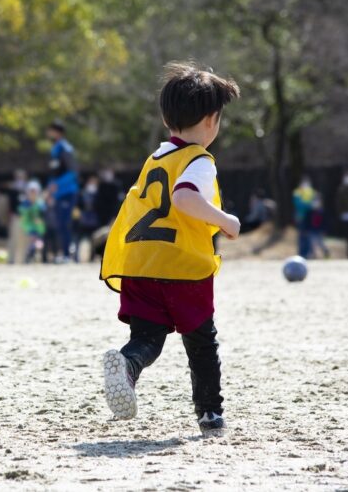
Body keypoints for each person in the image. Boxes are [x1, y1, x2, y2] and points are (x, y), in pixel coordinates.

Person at [99, 62, 241, 435]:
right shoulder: (198, 160)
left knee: (147, 337)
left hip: (141, 262)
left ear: (167, 120)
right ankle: (210, 414)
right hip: (182, 265)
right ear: (211, 120)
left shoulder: (156, 158)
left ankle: (128, 366)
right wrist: (224, 220)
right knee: (201, 341)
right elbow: (184, 198)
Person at [46, 121, 79, 262]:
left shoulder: (66, 149)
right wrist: (49, 190)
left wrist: (56, 185)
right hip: (58, 193)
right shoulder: (55, 149)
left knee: (65, 223)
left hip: (67, 192)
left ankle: (67, 255)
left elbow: (73, 172)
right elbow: (54, 173)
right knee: (59, 224)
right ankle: (62, 253)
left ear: (57, 132)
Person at [19, 181, 46, 263]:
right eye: (31, 191)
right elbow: (23, 217)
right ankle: (28, 257)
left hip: (40, 228)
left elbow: (44, 215)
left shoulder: (40, 203)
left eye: (34, 191)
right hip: (28, 228)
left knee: (39, 243)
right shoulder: (25, 204)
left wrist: (40, 221)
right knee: (33, 242)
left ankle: (33, 256)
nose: (33, 193)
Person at [75, 176, 100, 262]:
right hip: (83, 220)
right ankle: (76, 258)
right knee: (78, 239)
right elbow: (77, 206)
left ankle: (92, 257)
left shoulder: (98, 194)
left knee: (93, 240)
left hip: (94, 220)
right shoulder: (82, 193)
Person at [292, 176, 317, 258]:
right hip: (301, 217)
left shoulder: (312, 192)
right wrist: (309, 205)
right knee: (302, 236)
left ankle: (309, 253)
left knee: (310, 236)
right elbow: (299, 205)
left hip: (310, 218)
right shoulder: (297, 192)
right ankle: (302, 254)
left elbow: (317, 203)